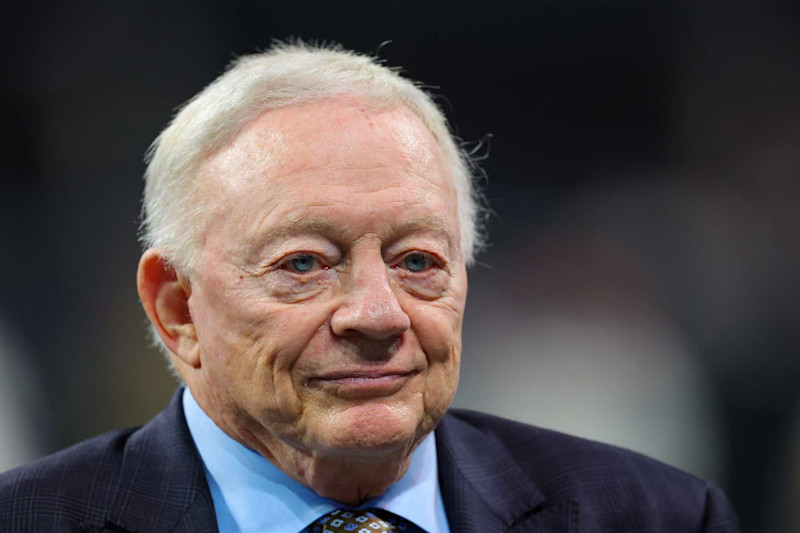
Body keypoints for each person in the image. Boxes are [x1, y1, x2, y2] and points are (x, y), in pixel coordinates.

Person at [0, 42, 738, 533]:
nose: (378, 315)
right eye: (303, 263)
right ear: (177, 308)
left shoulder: (657, 516)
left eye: (417, 261)